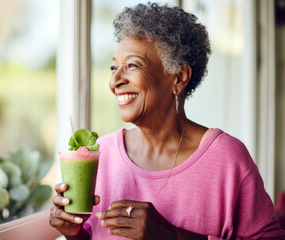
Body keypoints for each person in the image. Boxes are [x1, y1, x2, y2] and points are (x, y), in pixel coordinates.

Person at [49, 2, 285, 239]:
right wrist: (74, 233)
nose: (114, 81)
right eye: (113, 67)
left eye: (131, 65)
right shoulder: (102, 155)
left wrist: (171, 236)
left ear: (179, 77)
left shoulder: (227, 159)